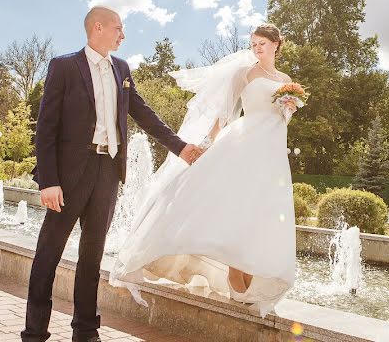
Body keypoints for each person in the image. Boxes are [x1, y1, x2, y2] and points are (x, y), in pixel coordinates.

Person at [22, 7, 203, 342]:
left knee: (92, 256)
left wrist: (180, 147)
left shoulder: (121, 68)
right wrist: (48, 180)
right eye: (119, 28)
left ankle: (86, 332)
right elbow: (46, 127)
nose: (123, 35)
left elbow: (143, 113)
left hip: (107, 172)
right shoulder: (64, 66)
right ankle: (34, 333)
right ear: (98, 27)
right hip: (68, 175)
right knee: (49, 254)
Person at [110, 23, 299, 318]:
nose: (257, 49)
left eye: (262, 43)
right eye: (253, 44)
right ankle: (235, 273)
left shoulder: (286, 80)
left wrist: (289, 107)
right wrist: (206, 143)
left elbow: (281, 119)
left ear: (277, 44)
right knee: (236, 204)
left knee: (261, 209)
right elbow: (224, 113)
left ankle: (252, 270)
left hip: (272, 150)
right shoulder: (244, 74)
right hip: (245, 143)